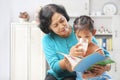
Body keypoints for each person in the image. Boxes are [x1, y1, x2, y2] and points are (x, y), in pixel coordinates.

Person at [38, 4, 110, 80]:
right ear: (49, 28)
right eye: (55, 25)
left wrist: (106, 67)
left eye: (62, 20)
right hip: (57, 75)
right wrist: (70, 57)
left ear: (64, 16)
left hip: (76, 75)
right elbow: (56, 68)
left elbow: (104, 56)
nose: (61, 26)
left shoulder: (80, 32)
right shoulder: (48, 40)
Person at [70, 15, 112, 80]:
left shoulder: (98, 50)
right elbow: (72, 68)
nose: (83, 40)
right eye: (79, 37)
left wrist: (91, 74)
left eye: (87, 36)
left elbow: (102, 70)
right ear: (75, 34)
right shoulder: (75, 49)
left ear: (93, 33)